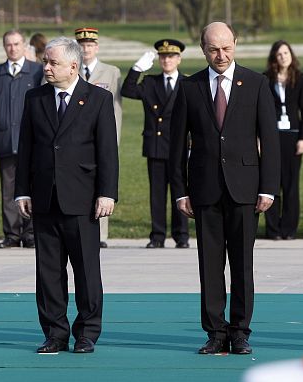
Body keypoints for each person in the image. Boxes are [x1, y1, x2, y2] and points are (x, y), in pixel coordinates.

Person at [170, 22, 280, 355]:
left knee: (242, 264)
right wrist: (180, 190)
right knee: (210, 264)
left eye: (226, 48)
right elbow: (176, 146)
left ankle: (241, 331)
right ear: (203, 49)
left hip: (245, 189)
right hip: (203, 190)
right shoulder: (189, 88)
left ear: (236, 44)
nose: (221, 55)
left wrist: (269, 188)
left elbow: (270, 141)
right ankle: (215, 332)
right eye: (214, 49)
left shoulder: (257, 84)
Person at [15, 36, 118, 354]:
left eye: (52, 62)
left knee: (87, 270)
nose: (45, 67)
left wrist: (107, 193)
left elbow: (107, 151)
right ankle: (55, 332)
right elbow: (27, 150)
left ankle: (87, 332)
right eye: (45, 61)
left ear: (73, 66)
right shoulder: (35, 98)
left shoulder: (98, 99)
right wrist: (22, 191)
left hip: (83, 199)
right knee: (48, 272)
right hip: (44, 199)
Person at [121, 38, 189, 248]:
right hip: (156, 146)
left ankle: (182, 236)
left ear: (178, 59)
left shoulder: (187, 83)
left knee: (181, 192)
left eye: (171, 56)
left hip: (179, 147)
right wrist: (136, 69)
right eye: (163, 56)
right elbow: (128, 90)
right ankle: (157, 236)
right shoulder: (150, 82)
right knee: (157, 195)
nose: (166, 60)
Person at [0, 29, 44, 249]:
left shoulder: (37, 72)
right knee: (8, 189)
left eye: (17, 44)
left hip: (32, 141)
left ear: (24, 46)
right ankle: (11, 234)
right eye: (9, 44)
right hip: (4, 140)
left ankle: (30, 233)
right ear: (4, 47)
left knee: (31, 187)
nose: (13, 48)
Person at [75, 27, 121, 248]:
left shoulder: (111, 72)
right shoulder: (71, 70)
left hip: (101, 138)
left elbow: (116, 109)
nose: (86, 49)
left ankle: (101, 234)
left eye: (90, 45)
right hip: (78, 141)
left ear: (97, 47)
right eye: (82, 46)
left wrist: (115, 139)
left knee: (104, 185)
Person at [263, 41, 303, 240]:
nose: (283, 56)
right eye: (279, 54)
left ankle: (289, 229)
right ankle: (273, 229)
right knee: (272, 184)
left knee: (291, 185)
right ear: (274, 57)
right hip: (272, 137)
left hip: (292, 136)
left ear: (291, 55)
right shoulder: (265, 79)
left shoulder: (300, 79)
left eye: (286, 52)